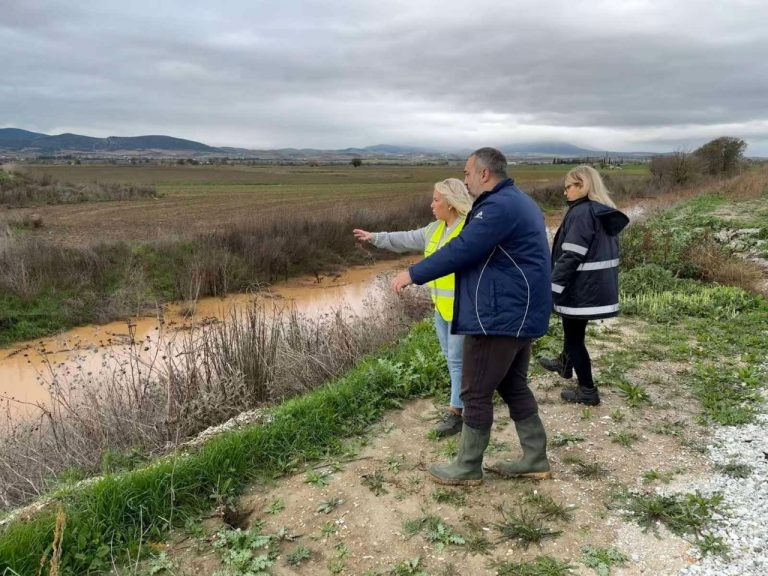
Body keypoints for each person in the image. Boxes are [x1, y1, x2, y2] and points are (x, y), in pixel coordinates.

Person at [391, 147, 553, 485]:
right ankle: (535, 458)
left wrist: (413, 273)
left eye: (467, 173)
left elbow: (461, 249)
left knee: (475, 391)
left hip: (499, 316)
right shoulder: (519, 201)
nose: (464, 180)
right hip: (520, 312)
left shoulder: (498, 207)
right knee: (512, 384)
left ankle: (467, 467)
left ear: (484, 173)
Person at [353, 178, 473, 437]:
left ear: (451, 204)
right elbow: (406, 239)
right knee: (452, 359)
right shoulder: (435, 229)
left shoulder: (469, 230)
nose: (432, 204)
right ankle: (470, 399)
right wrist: (375, 238)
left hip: (464, 309)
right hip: (442, 309)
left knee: (457, 361)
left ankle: (457, 413)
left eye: (436, 200)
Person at [539, 165, 629, 406]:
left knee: (574, 339)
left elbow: (572, 255)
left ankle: (587, 390)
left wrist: (552, 288)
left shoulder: (581, 213)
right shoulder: (599, 211)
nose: (565, 192)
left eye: (568, 186)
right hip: (594, 286)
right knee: (574, 331)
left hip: (581, 288)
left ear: (582, 185)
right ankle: (565, 363)